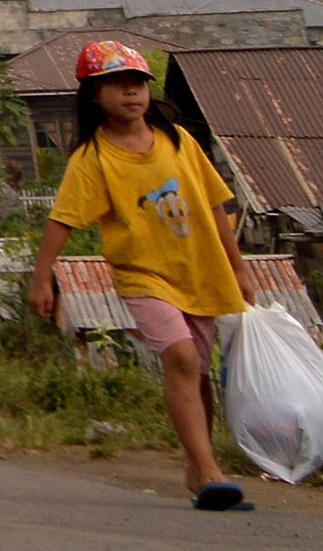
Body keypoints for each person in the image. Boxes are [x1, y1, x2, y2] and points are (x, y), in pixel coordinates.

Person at [25, 39, 251, 512]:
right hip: (143, 274)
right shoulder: (93, 158)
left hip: (199, 269)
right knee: (183, 359)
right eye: (117, 85)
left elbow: (214, 205)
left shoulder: (177, 140)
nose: (131, 94)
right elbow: (62, 219)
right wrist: (42, 278)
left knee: (199, 372)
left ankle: (198, 465)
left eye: (137, 84)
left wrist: (239, 266)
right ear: (93, 96)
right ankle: (209, 472)